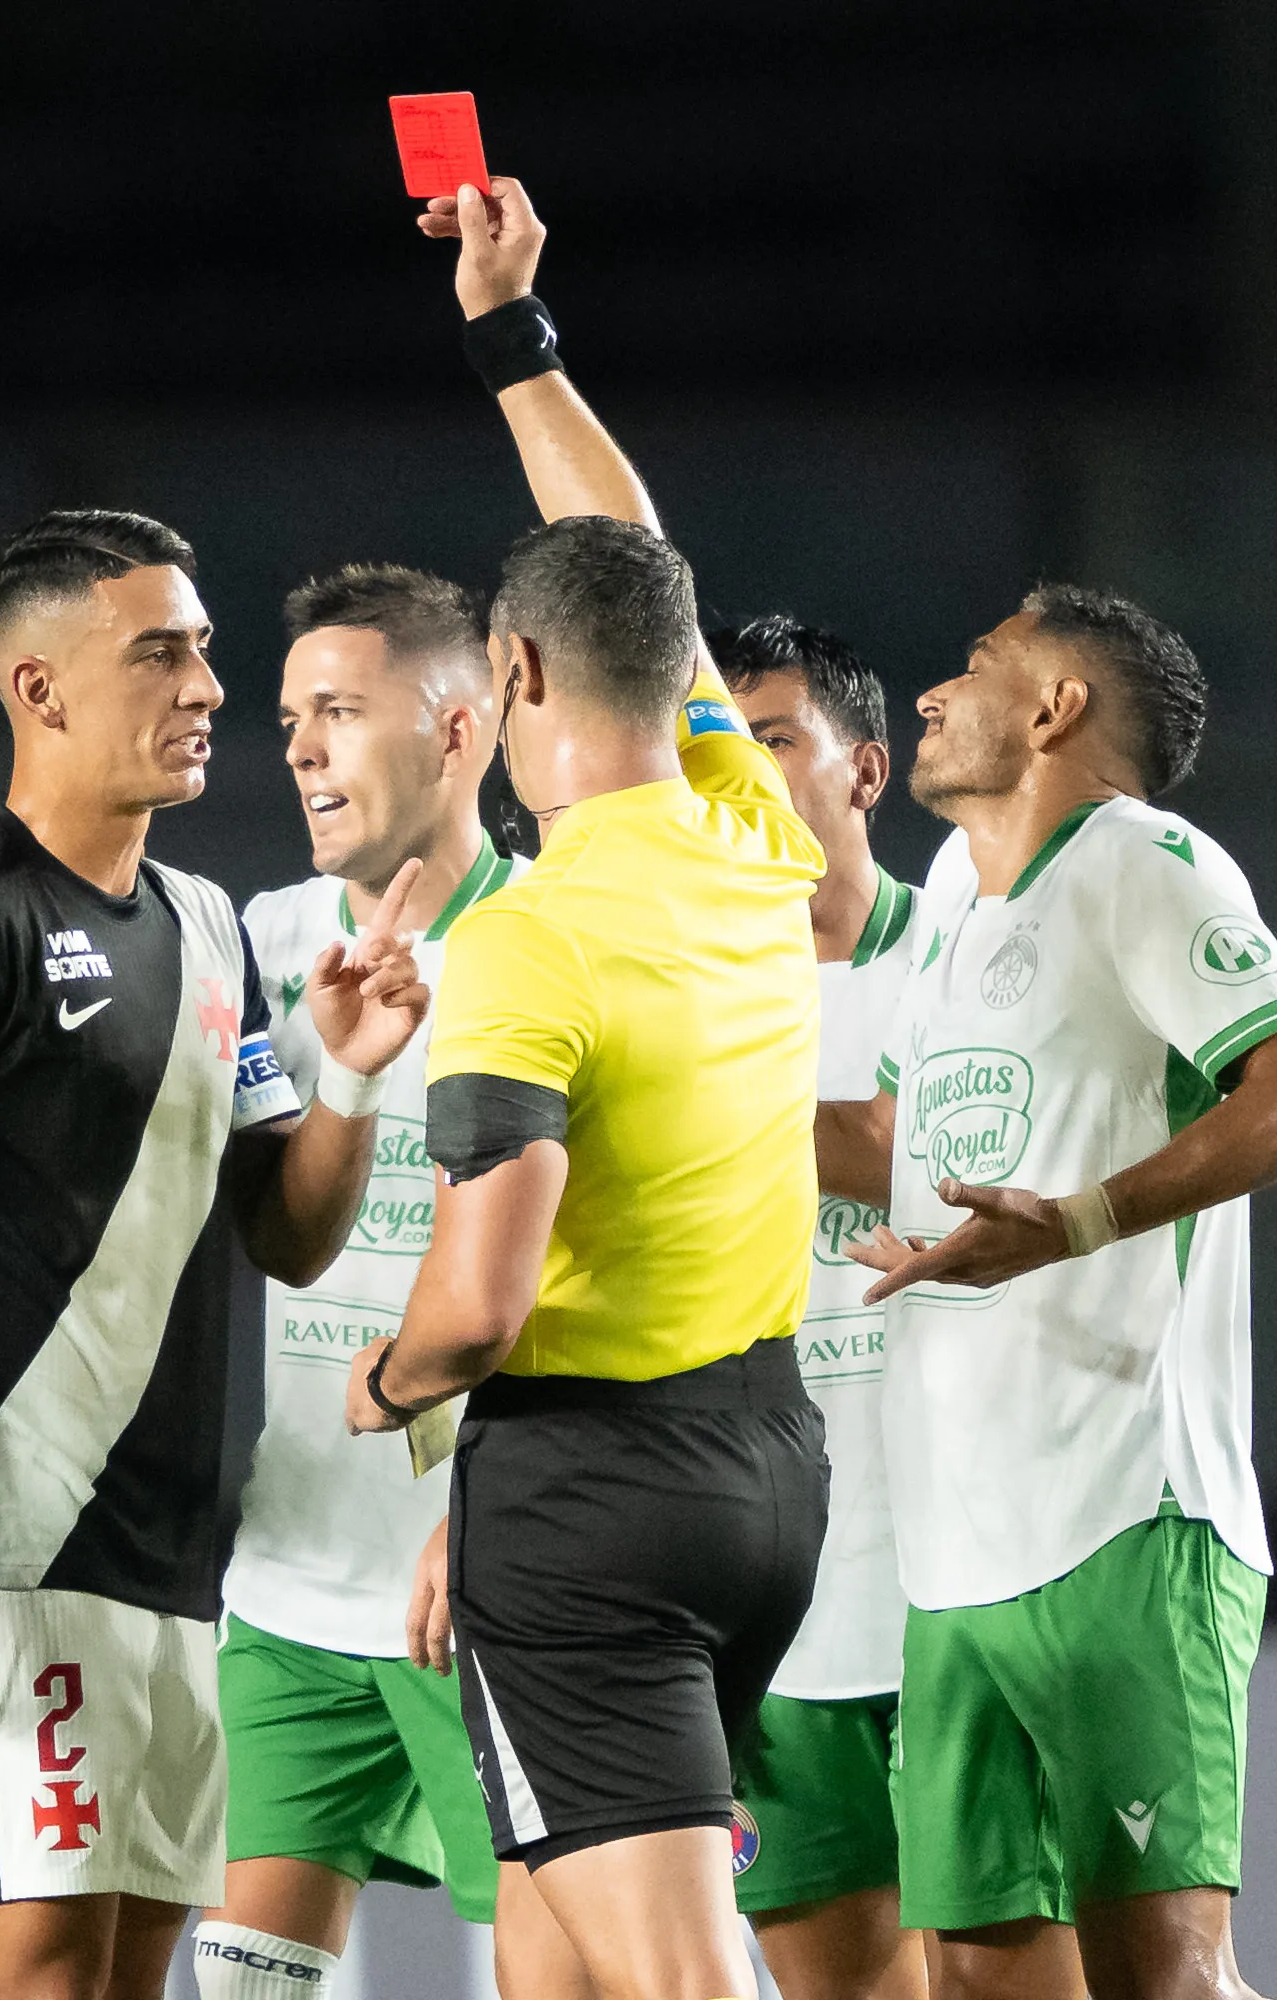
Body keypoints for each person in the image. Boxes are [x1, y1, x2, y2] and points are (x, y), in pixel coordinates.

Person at [0, 510, 433, 2000]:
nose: (209, 687)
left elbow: (292, 1231)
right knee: (31, 1981)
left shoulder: (214, 925)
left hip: (180, 1574)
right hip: (7, 1560)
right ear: (42, 690)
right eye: (163, 653)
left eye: (206, 651)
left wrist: (348, 1077)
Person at [337, 177, 831, 2000]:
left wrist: (386, 1390)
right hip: (765, 1470)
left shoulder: (524, 941)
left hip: (592, 1502)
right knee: (554, 1975)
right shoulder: (751, 832)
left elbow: (477, 1308)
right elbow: (636, 557)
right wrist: (514, 346)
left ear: (515, 673)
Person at [817, 582, 1277, 2000]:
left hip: (1124, 1519)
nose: (933, 693)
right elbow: (886, 1147)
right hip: (958, 1552)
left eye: (979, 661)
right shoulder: (953, 890)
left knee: (1163, 1979)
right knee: (985, 1979)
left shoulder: (1144, 862)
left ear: (1057, 707)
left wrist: (1081, 1221)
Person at [194, 563, 516, 1999]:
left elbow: (621, 1254)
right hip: (287, 1578)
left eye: (339, 708)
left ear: (458, 731)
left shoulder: (553, 949)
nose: (302, 744)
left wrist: (496, 1499)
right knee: (250, 1979)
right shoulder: (259, 946)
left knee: (611, 1968)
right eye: (288, 715)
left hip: (496, 1592)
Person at [716, 617, 930, 2000]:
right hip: (779, 1611)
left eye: (774, 740)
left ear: (867, 769)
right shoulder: (698, 991)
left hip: (969, 1591)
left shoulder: (974, 949)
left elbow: (948, 1151)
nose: (737, 777)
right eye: (712, 752)